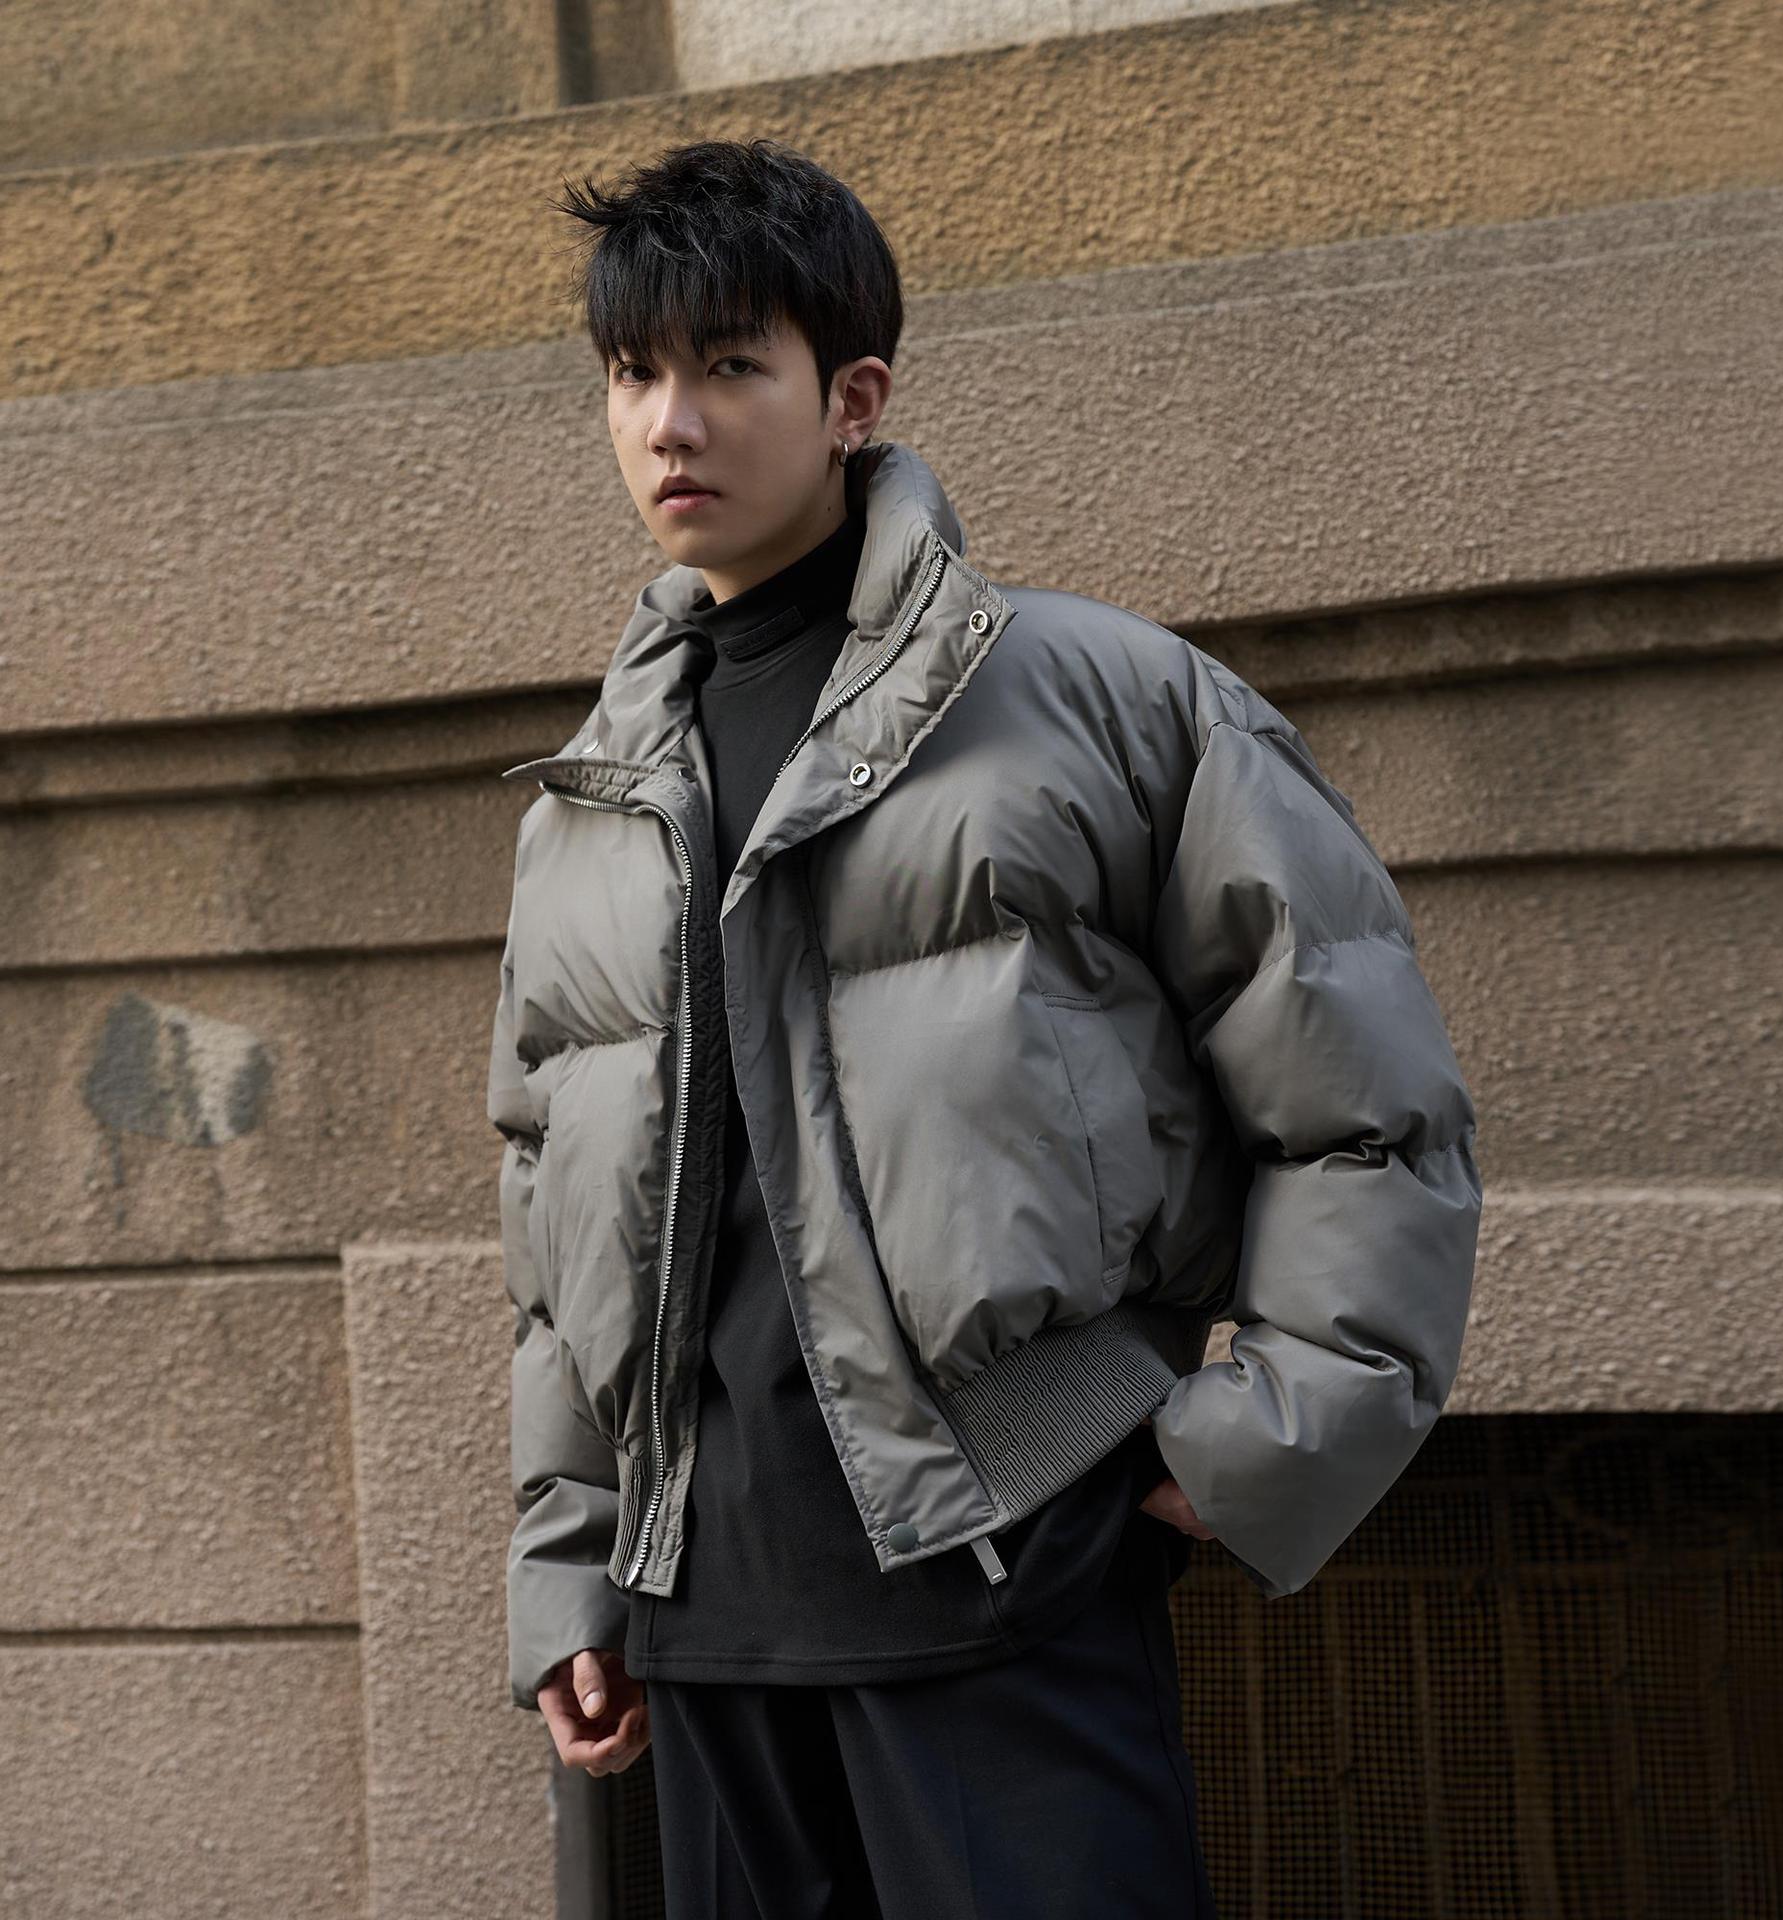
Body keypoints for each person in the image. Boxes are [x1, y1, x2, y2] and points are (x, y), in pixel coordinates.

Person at [487, 137, 1482, 1918]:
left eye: (730, 365)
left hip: (1008, 1569)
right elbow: (557, 1236)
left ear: (853, 398)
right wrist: (575, 1563)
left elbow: (1363, 1102)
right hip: (706, 1623)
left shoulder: (1104, 700)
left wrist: (1258, 1440)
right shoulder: (593, 802)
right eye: (633, 374)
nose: (670, 424)